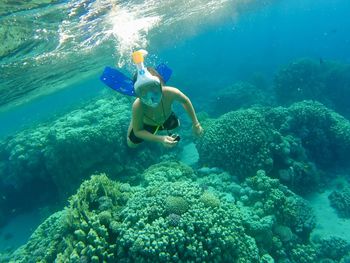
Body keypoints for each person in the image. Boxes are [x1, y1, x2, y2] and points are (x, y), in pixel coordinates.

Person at [127, 50, 203, 148]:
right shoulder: (138, 106)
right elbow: (138, 131)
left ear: (161, 85)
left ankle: (138, 119)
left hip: (166, 118)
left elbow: (185, 101)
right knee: (132, 144)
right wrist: (160, 139)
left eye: (153, 87)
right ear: (137, 94)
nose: (150, 96)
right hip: (147, 125)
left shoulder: (170, 92)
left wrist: (196, 123)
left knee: (176, 126)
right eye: (143, 92)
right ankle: (134, 120)